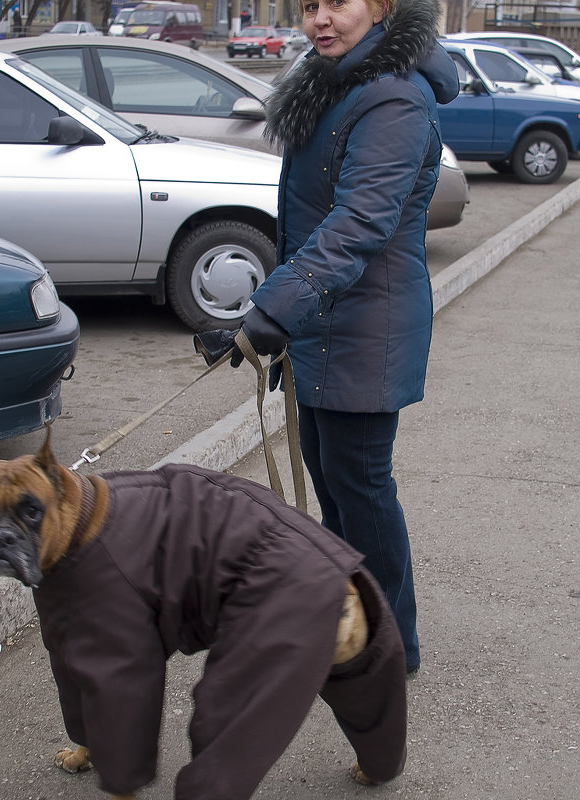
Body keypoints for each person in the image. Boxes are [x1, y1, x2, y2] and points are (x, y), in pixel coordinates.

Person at [231, 0, 459, 675]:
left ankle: (391, 646)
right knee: (334, 486)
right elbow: (308, 225)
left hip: (368, 325)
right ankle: (349, 617)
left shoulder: (393, 101)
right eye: (308, 5)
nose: (320, 19)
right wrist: (267, 313)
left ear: (382, 7)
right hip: (325, 320)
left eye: (338, 3)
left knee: (360, 487)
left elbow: (359, 223)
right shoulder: (336, 80)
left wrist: (274, 309)